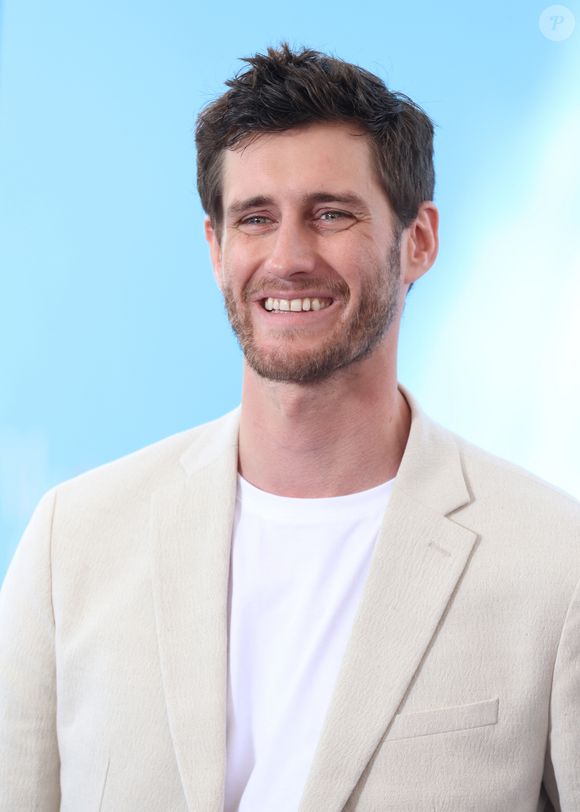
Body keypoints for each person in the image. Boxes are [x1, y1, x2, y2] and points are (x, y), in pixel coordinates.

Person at [0, 43, 579, 812]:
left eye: (331, 214)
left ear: (420, 241)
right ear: (215, 248)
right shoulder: (71, 543)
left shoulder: (554, 562)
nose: (288, 257)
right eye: (255, 219)